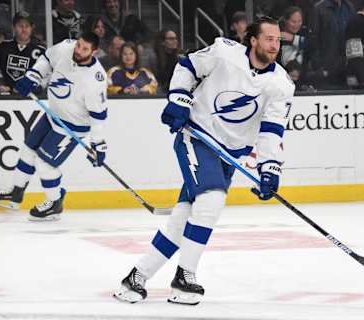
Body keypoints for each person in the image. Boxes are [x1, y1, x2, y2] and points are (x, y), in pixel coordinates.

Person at [113, 16, 295, 305]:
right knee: (211, 201)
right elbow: (187, 66)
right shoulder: (224, 52)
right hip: (197, 137)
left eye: (278, 40)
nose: (275, 45)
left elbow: (272, 129)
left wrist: (270, 168)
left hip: (228, 156)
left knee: (183, 218)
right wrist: (179, 99)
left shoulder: (281, 84)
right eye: (269, 38)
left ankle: (136, 278)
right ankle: (185, 276)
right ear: (253, 40)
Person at [0, 31, 108, 221]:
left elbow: (98, 115)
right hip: (53, 114)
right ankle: (15, 193)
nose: (78, 50)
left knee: (45, 162)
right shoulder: (66, 47)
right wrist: (32, 76)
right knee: (28, 149)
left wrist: (98, 143)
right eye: (79, 45)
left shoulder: (95, 80)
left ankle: (54, 202)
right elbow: (46, 59)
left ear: (95, 51)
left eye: (85, 49)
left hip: (72, 126)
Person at [309, 0, 356, 90]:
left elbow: (353, 36)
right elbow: (313, 41)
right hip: (326, 71)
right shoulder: (319, 9)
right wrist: (319, 68)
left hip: (346, 70)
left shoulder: (349, 8)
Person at [0, 11, 46, 94]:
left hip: (30, 97)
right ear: (13, 27)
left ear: (32, 28)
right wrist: (0, 84)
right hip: (5, 96)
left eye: (27, 26)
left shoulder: (41, 51)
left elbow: (46, 77)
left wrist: (34, 88)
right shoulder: (3, 47)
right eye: (20, 26)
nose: (24, 29)